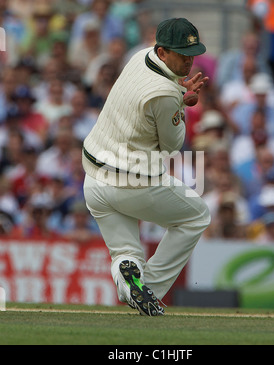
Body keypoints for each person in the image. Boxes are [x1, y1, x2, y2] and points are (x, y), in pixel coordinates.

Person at [82, 18, 211, 316]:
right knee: (196, 217)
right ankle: (149, 287)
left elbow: (154, 96)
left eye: (192, 53)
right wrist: (182, 104)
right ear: (163, 52)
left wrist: (176, 93)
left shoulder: (139, 55)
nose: (189, 61)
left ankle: (132, 280)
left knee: (126, 252)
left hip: (93, 180)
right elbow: (171, 146)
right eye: (182, 54)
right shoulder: (165, 95)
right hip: (133, 183)